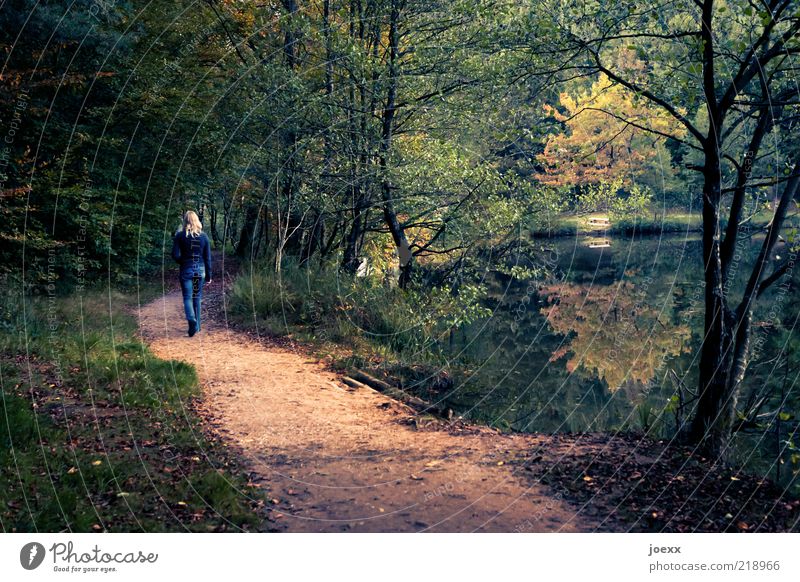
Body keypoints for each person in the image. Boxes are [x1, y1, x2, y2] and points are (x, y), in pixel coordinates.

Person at [172, 210, 212, 337]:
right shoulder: (204, 236)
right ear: (197, 221)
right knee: (197, 297)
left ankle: (191, 321)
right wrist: (209, 276)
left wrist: (182, 262)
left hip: (187, 270)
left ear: (185, 221)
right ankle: (197, 326)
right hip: (199, 271)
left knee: (188, 298)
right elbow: (207, 258)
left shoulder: (180, 236)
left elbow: (175, 255)